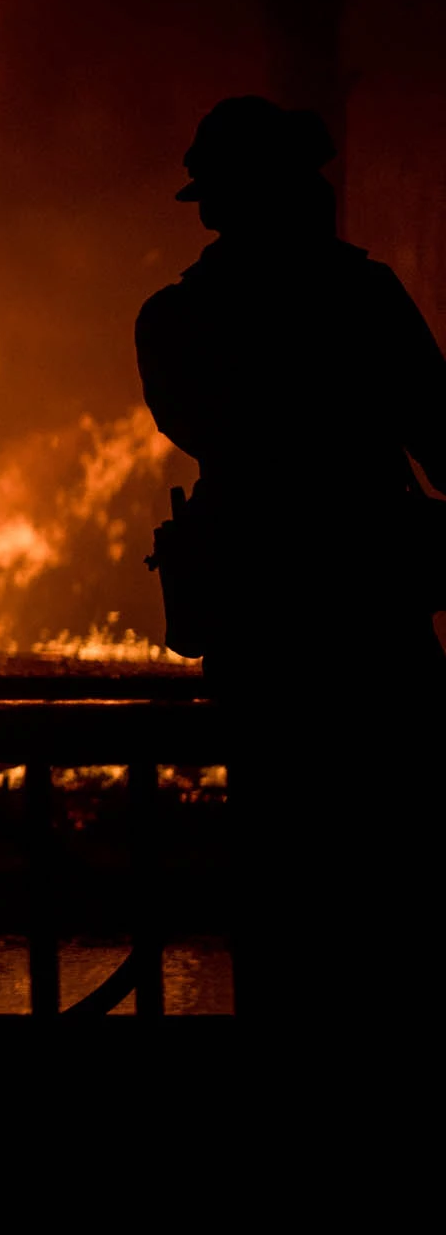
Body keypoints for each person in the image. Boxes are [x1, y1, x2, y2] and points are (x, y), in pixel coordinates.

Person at [135, 95, 446, 1023]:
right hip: (369, 629)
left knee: (280, 873)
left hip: (262, 634)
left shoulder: (179, 320)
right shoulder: (361, 298)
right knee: (401, 871)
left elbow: (206, 429)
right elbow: (439, 431)